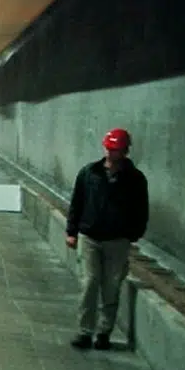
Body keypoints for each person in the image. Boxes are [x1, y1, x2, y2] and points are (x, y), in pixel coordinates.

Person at [65, 128, 149, 350]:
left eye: (117, 150)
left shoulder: (135, 179)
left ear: (125, 151)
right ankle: (85, 331)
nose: (112, 154)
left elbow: (141, 209)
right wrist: (71, 231)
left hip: (117, 241)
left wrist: (133, 234)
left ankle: (104, 332)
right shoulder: (89, 173)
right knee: (90, 282)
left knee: (112, 287)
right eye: (109, 149)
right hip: (90, 237)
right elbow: (77, 202)